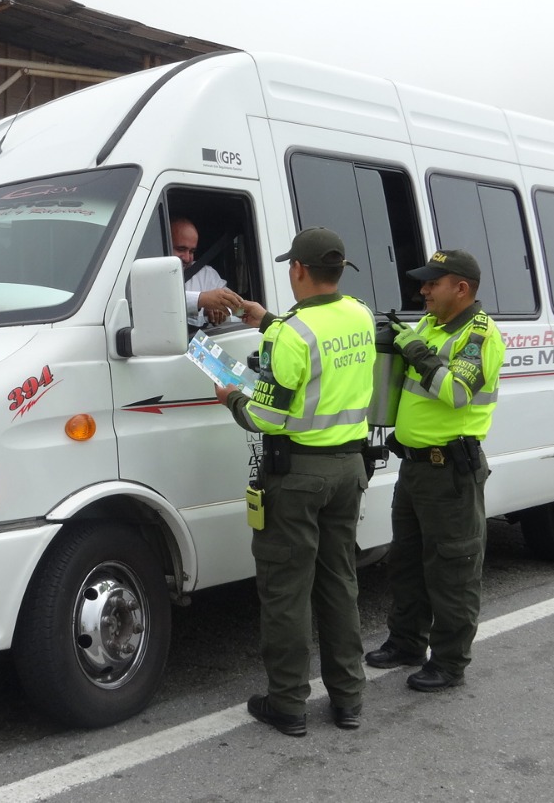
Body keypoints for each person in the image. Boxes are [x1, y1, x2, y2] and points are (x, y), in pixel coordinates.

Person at [213, 226, 373, 736]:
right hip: (349, 469)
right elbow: (320, 345)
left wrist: (233, 398)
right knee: (339, 584)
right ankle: (348, 699)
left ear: (298, 270)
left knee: (286, 591)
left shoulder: (292, 334)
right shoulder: (360, 315)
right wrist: (268, 321)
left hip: (300, 474)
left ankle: (287, 703)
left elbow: (270, 416)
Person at [364, 249, 505, 692]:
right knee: (405, 562)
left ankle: (449, 661)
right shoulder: (429, 325)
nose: (422, 290)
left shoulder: (480, 336)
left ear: (460, 288)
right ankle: (407, 642)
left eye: (432, 283)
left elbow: (457, 392)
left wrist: (416, 351)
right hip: (416, 468)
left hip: (451, 473)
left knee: (453, 569)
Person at [171, 218, 244, 328]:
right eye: (180, 249)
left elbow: (240, 310)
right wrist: (202, 300)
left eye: (192, 252)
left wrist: (222, 310)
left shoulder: (206, 274)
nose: (187, 258)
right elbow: (155, 300)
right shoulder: (149, 272)